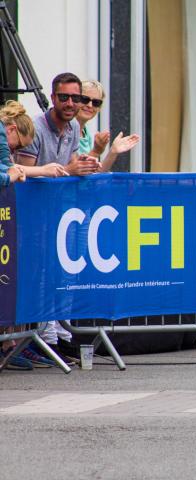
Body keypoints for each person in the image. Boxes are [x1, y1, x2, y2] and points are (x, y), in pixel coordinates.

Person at [16, 72, 101, 365]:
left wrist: (92, 160)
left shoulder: (75, 128)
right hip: (34, 215)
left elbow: (73, 166)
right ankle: (43, 339)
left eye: (75, 98)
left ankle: (62, 338)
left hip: (63, 213)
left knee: (66, 273)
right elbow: (22, 173)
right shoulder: (38, 129)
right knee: (41, 276)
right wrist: (69, 170)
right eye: (63, 97)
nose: (70, 103)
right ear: (52, 98)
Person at [0, 100, 60, 369]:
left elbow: (8, 170)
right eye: (17, 146)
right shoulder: (1, 133)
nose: (16, 152)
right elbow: (5, 173)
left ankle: (10, 343)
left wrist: (15, 172)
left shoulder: (4, 136)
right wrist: (25, 172)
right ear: (11, 129)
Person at [76, 79, 140, 171]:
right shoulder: (64, 130)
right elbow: (73, 172)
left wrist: (113, 151)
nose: (90, 105)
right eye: (84, 99)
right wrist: (96, 151)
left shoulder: (86, 134)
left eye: (96, 103)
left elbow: (94, 172)